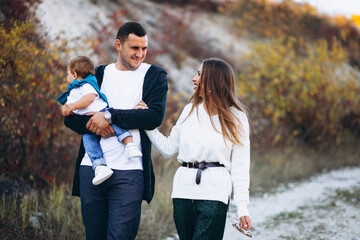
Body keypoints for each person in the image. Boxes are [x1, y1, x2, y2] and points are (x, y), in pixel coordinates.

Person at [62, 22, 168, 240]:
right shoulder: (97, 74)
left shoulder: (154, 76)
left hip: (130, 173)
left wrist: (108, 116)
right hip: (91, 169)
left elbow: (153, 117)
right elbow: (71, 118)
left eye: (144, 48)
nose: (140, 54)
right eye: (134, 48)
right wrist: (100, 127)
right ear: (118, 45)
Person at [142, 58, 252, 239]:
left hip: (215, 192)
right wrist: (146, 121)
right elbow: (168, 148)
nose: (194, 78)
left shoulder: (236, 117)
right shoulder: (189, 111)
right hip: (182, 191)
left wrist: (242, 207)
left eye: (199, 74)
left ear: (213, 81)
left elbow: (240, 167)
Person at [57, 56, 143, 186]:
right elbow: (67, 106)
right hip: (89, 124)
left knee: (117, 126)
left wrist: (73, 107)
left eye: (67, 73)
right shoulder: (73, 91)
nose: (66, 76)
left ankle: (130, 144)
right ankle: (100, 167)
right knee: (89, 143)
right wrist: (66, 109)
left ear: (74, 74)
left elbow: (89, 98)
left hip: (102, 112)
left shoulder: (86, 85)